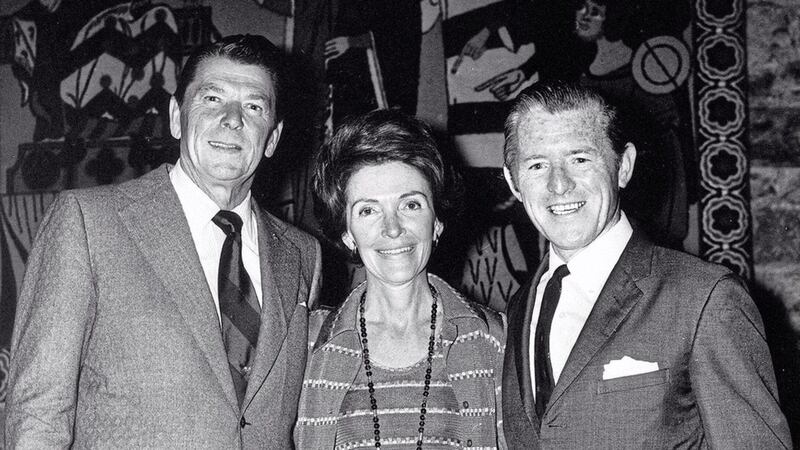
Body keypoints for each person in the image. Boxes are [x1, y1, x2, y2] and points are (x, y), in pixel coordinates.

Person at [4, 34, 322, 448]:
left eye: (254, 106)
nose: (232, 119)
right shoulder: (88, 223)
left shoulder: (302, 255)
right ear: (176, 116)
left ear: (273, 138)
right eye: (212, 99)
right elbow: (37, 413)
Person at [500, 82, 792, 448]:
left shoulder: (703, 298)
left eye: (580, 159)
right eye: (538, 164)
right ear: (514, 182)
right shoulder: (518, 309)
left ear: (623, 167)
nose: (559, 185)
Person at [295, 109, 505, 449]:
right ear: (347, 233)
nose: (392, 228)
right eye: (368, 210)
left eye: (410, 205)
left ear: (436, 222)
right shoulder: (306, 345)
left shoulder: (495, 341)